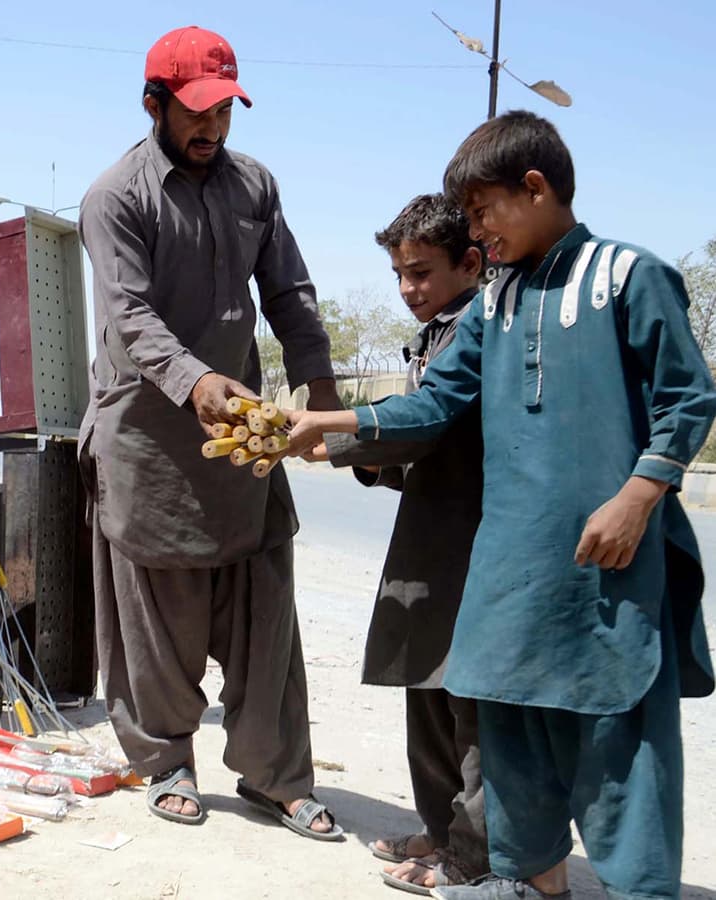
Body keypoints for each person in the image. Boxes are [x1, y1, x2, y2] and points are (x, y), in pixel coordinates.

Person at [285, 110, 716, 900]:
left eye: (483, 213)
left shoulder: (630, 275)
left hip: (607, 566)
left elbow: (687, 400)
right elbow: (436, 403)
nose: (478, 234)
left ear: (536, 187)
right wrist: (333, 422)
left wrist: (637, 495)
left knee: (621, 750)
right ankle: (529, 884)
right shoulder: (496, 301)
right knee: (513, 737)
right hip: (511, 568)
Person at [78, 24, 343, 838]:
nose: (213, 129)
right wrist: (193, 381)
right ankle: (166, 758)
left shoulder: (254, 185)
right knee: (158, 613)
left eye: (225, 111)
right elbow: (130, 317)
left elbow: (290, 293)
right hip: (147, 437)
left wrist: (323, 395)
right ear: (154, 103)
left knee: (265, 604)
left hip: (242, 438)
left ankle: (275, 775)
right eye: (197, 113)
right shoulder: (116, 196)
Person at [312, 194, 489, 893]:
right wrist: (364, 455)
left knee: (470, 702)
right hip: (431, 530)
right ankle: (443, 831)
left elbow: (434, 420)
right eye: (400, 275)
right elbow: (417, 446)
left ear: (469, 262)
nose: (410, 289)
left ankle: (474, 855)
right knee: (426, 684)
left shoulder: (480, 325)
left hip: (477, 535)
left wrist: (332, 433)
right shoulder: (437, 332)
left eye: (422, 272)